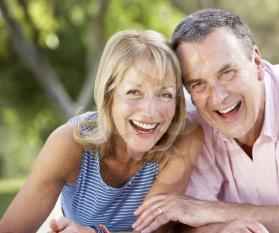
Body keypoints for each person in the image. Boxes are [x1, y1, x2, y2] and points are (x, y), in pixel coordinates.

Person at [132, 9, 279, 233]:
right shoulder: (189, 121)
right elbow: (182, 224)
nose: (218, 97)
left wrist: (218, 212)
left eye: (227, 72)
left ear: (256, 62)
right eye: (198, 84)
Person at [0, 29, 204, 233]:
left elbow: (153, 230)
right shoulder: (68, 144)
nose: (151, 112)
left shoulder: (184, 137)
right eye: (134, 92)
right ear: (108, 96)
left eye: (165, 95)